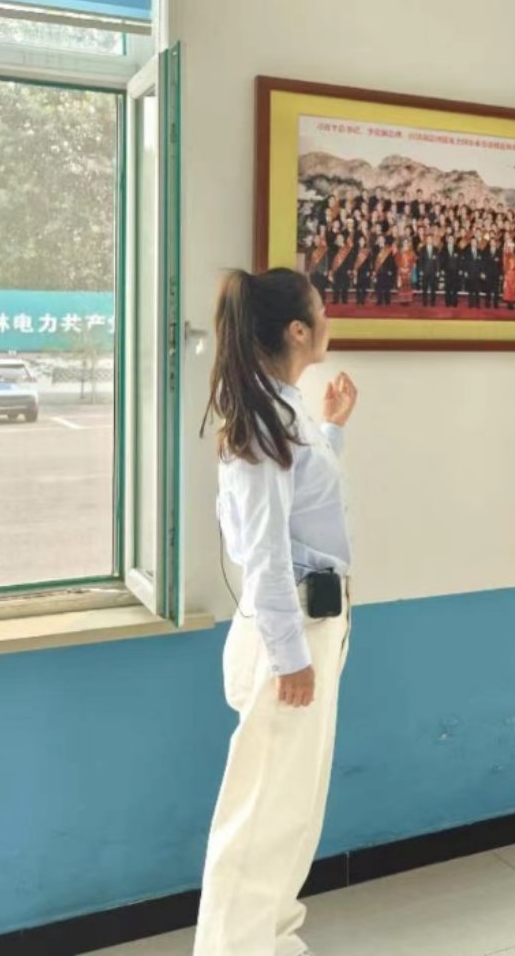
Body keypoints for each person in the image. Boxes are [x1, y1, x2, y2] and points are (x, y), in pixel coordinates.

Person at [195, 269, 358, 956]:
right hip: (288, 631)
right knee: (259, 817)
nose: (327, 322)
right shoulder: (263, 426)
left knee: (291, 810)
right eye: (321, 312)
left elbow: (302, 508)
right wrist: (291, 658)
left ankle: (273, 942)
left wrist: (333, 429)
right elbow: (264, 556)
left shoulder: (284, 413)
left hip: (313, 623)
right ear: (297, 330)